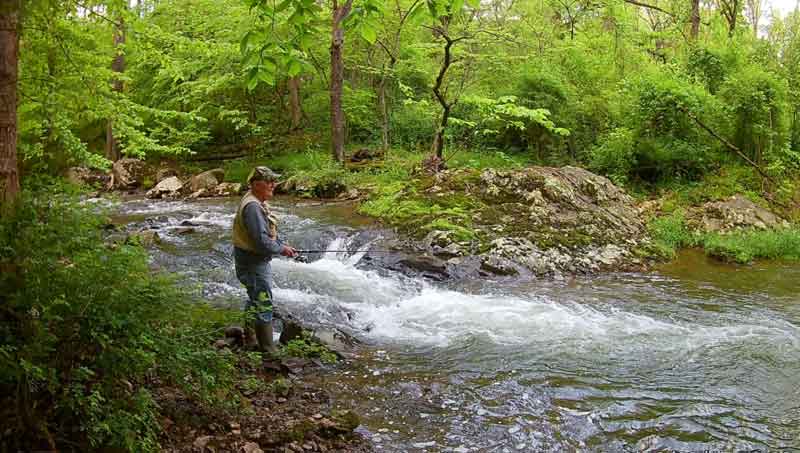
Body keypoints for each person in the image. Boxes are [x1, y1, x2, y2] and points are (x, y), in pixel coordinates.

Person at [232, 166, 297, 353]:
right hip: (253, 262)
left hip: (250, 259)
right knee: (263, 301)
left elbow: (266, 234)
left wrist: (282, 244)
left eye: (273, 181)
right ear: (256, 184)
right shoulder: (252, 207)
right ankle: (268, 350)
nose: (273, 184)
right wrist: (281, 249)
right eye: (269, 182)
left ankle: (250, 337)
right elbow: (261, 241)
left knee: (255, 297)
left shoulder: (255, 201)